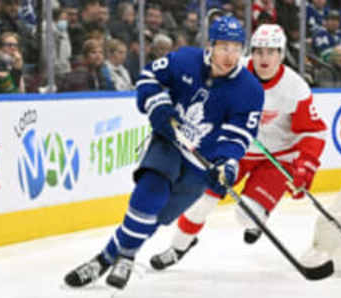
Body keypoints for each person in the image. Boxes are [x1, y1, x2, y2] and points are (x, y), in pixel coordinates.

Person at [63, 15, 264, 290]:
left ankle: (105, 258)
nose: (230, 55)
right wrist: (158, 105)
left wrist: (226, 165)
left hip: (200, 165)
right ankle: (126, 258)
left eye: (236, 48)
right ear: (211, 45)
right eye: (224, 47)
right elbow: (149, 76)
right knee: (149, 192)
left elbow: (239, 134)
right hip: (169, 142)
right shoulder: (185, 60)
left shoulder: (250, 90)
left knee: (154, 217)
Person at [148, 24, 327, 270]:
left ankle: (257, 216)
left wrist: (306, 165)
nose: (264, 58)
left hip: (277, 156)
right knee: (202, 200)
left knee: (246, 215)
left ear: (282, 54)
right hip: (235, 149)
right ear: (251, 51)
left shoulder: (295, 87)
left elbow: (313, 130)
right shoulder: (233, 70)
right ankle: (179, 247)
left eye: (272, 52)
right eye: (259, 51)